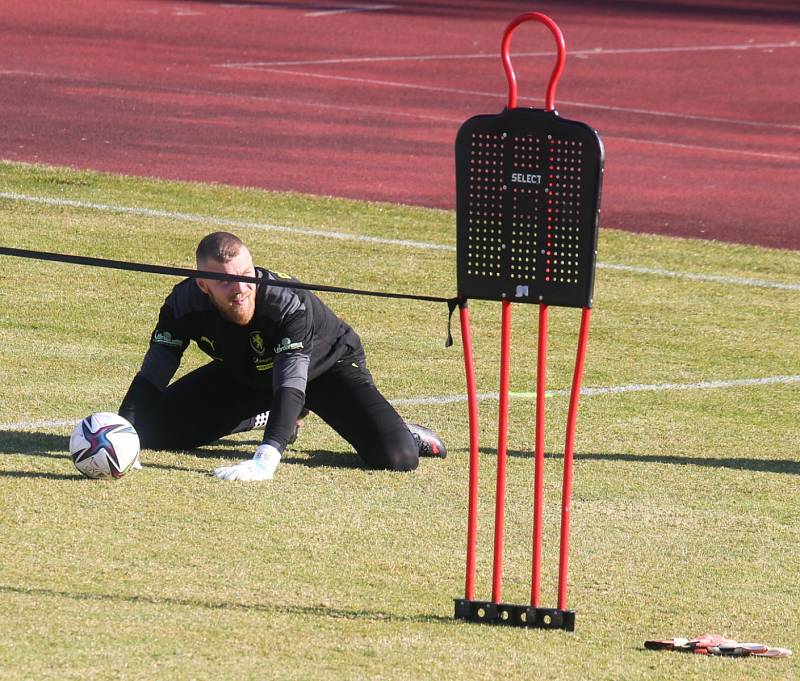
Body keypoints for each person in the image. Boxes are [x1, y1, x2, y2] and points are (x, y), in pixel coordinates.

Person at [119, 231, 446, 481]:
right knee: (149, 430)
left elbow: (291, 380)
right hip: (245, 372)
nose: (242, 289)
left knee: (397, 457)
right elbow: (154, 372)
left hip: (325, 370)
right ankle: (265, 416)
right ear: (203, 285)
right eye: (227, 282)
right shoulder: (182, 304)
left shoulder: (286, 304)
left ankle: (404, 430)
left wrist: (266, 458)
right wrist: (120, 433)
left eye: (246, 275)